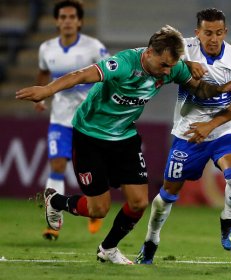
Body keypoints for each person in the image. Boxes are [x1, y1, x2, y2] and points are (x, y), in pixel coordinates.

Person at [16, 24, 231, 265]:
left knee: (139, 202)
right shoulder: (123, 64)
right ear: (149, 53)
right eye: (164, 65)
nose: (168, 72)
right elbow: (80, 75)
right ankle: (55, 201)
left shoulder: (171, 67)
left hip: (124, 137)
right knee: (98, 210)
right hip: (90, 136)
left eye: (172, 66)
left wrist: (220, 89)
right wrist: (47, 90)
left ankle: (108, 248)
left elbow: (198, 88)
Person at [135, 8, 231, 264]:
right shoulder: (183, 48)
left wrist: (212, 125)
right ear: (197, 32)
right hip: (187, 135)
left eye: (219, 33)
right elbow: (157, 49)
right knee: (165, 198)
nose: (213, 38)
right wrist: (185, 63)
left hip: (222, 132)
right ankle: (151, 240)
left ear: (225, 32)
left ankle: (228, 219)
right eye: (207, 33)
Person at [34, 0, 109, 240]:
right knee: (57, 164)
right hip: (60, 120)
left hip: (89, 121)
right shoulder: (46, 49)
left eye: (71, 17)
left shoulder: (94, 47)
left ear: (79, 21)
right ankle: (53, 221)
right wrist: (40, 96)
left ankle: (95, 210)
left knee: (96, 169)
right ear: (57, 21)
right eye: (63, 17)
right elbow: (44, 72)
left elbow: (109, 74)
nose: (67, 21)